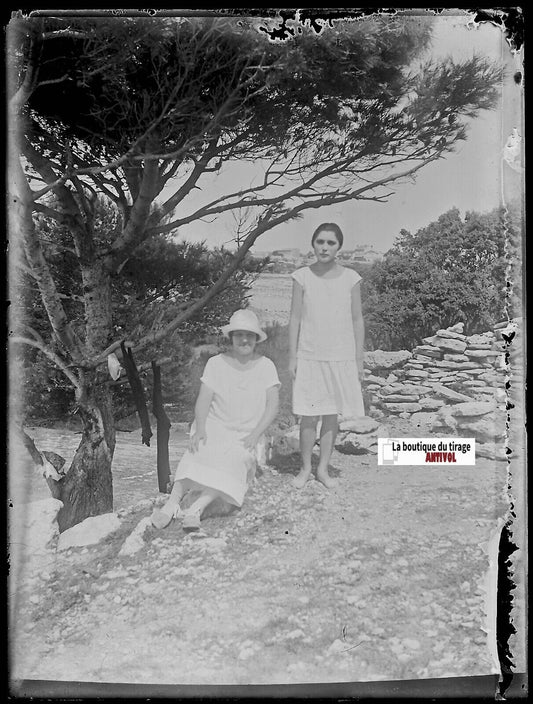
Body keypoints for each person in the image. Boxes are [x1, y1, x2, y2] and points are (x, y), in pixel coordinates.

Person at [151, 309, 280, 532]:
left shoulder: (266, 366)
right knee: (199, 448)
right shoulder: (216, 363)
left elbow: (273, 406)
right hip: (216, 425)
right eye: (239, 334)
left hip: (248, 433)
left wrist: (256, 433)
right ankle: (172, 503)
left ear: (257, 339)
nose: (245, 340)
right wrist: (200, 428)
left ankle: (196, 510)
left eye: (250, 335)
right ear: (231, 338)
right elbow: (203, 401)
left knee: (233, 458)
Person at [288, 223, 365, 489]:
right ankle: (306, 468)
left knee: (331, 415)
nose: (324, 247)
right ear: (313, 244)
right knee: (308, 416)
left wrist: (358, 359)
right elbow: (295, 318)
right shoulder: (302, 277)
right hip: (309, 355)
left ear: (338, 247)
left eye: (331, 243)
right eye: (320, 241)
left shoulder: (351, 278)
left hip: (340, 355)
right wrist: (292, 356)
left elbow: (357, 320)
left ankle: (323, 469)